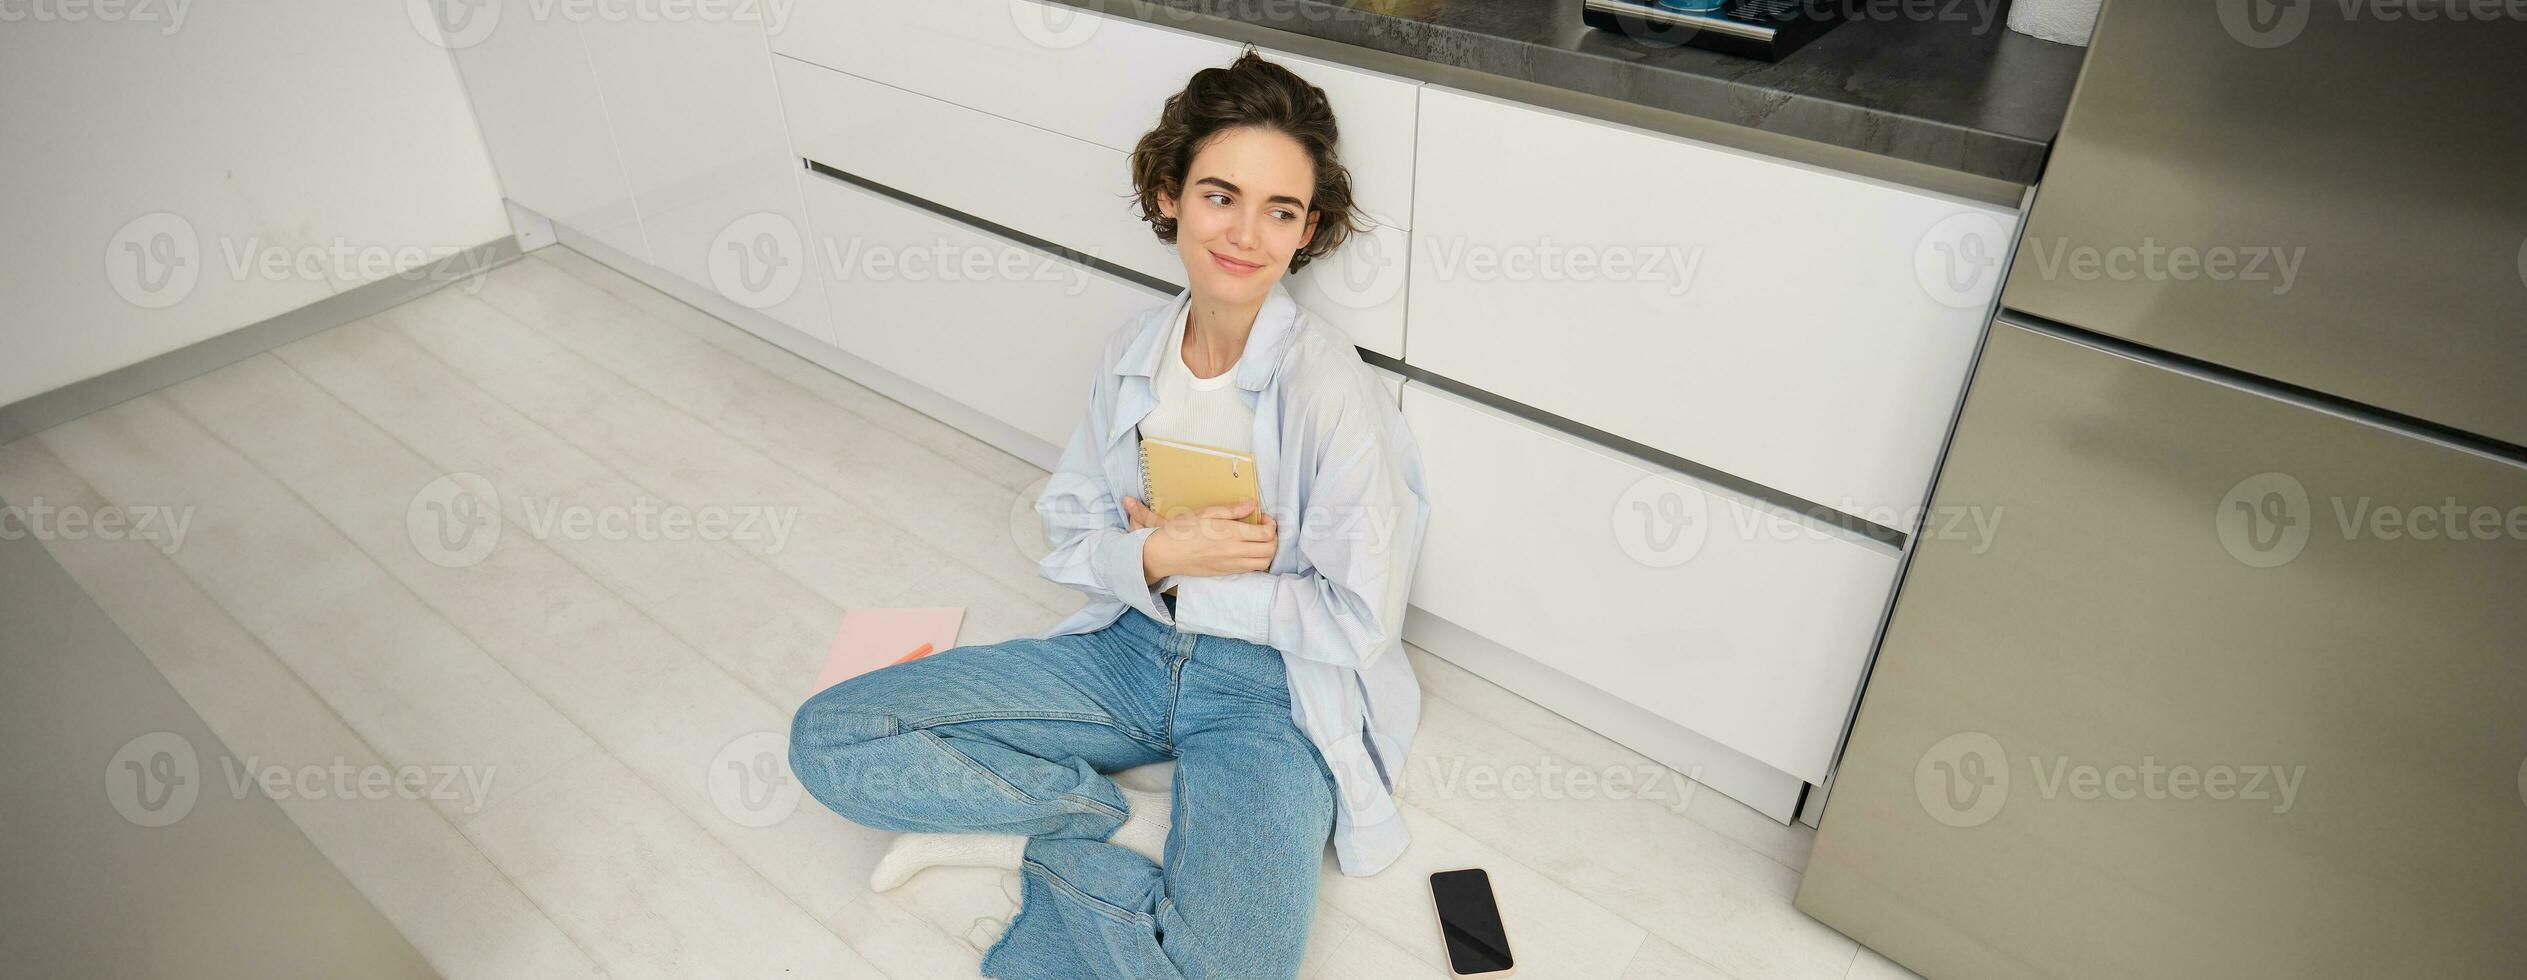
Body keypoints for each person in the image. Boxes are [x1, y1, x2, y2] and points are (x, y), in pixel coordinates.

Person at [789, 48, 1430, 979]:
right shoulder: (1136, 347)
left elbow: (1359, 616)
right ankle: (1094, 819)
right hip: (1129, 649)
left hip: (1272, 696)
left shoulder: (1329, 389)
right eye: (1220, 195)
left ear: (1307, 229)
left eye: (1279, 209)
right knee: (831, 737)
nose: (1245, 232)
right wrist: (1162, 555)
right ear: (1168, 195)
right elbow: (1071, 523)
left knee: (1235, 969)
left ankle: (1043, 850)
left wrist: (1186, 575)